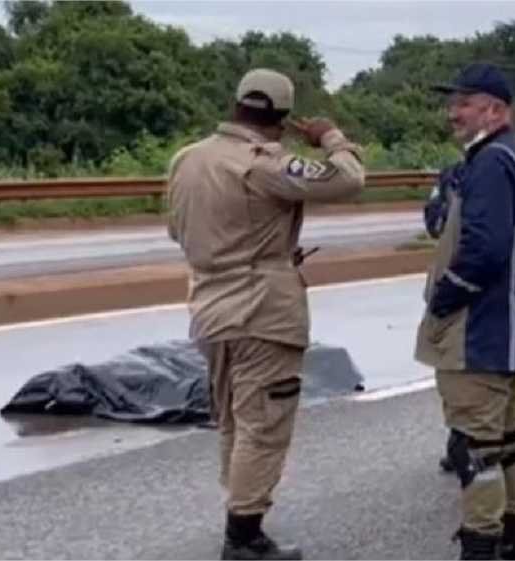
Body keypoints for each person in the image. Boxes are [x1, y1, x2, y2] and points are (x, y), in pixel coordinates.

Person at [166, 68, 365, 560]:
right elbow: (348, 178)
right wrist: (331, 138)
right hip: (262, 310)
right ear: (282, 117)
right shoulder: (265, 164)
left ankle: (241, 512)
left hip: (209, 306)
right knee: (264, 425)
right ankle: (243, 535)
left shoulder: (187, 159)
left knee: (234, 420)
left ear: (236, 103)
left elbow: (177, 230)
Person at [415, 62, 515, 560]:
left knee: (476, 448)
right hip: (513, 326)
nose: (454, 112)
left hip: (479, 332)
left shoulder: (491, 162)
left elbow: (484, 249)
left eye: (464, 103)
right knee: (511, 436)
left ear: (494, 110)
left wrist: (445, 298)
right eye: (453, 103)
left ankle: (481, 542)